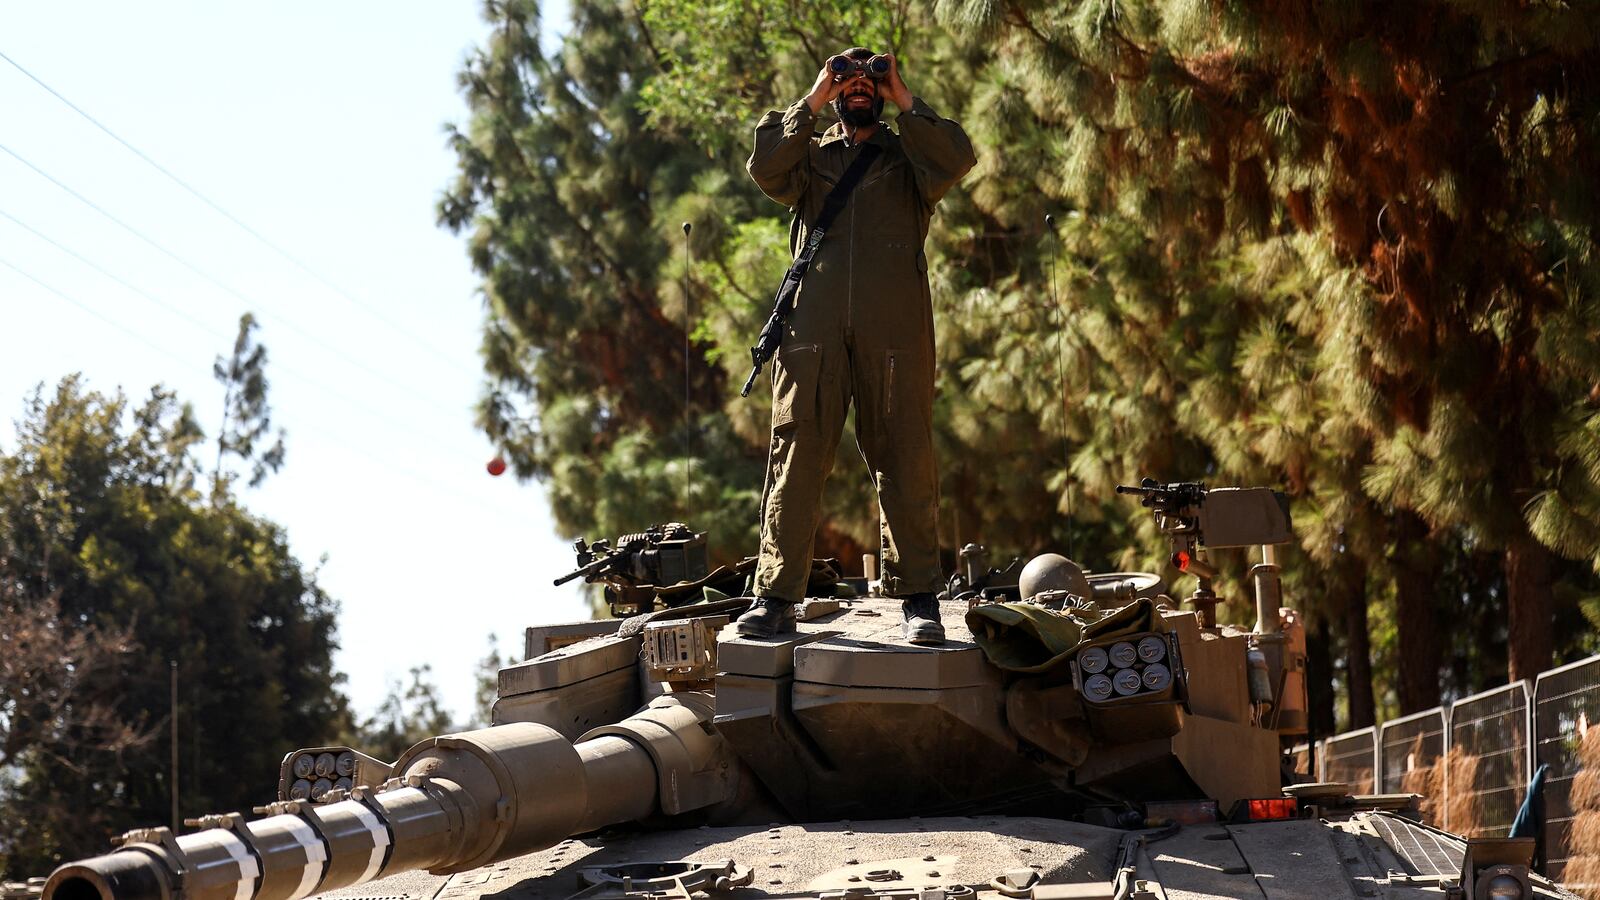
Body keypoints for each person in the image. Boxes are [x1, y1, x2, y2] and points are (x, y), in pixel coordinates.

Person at [735, 47, 977, 643]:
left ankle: (920, 598)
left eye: (869, 81)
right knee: (796, 456)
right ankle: (775, 598)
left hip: (894, 334)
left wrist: (901, 92)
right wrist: (816, 93)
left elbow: (958, 156)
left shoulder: (911, 159)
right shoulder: (809, 161)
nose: (859, 88)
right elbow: (764, 166)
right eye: (849, 83)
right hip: (811, 333)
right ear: (837, 94)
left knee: (906, 457)